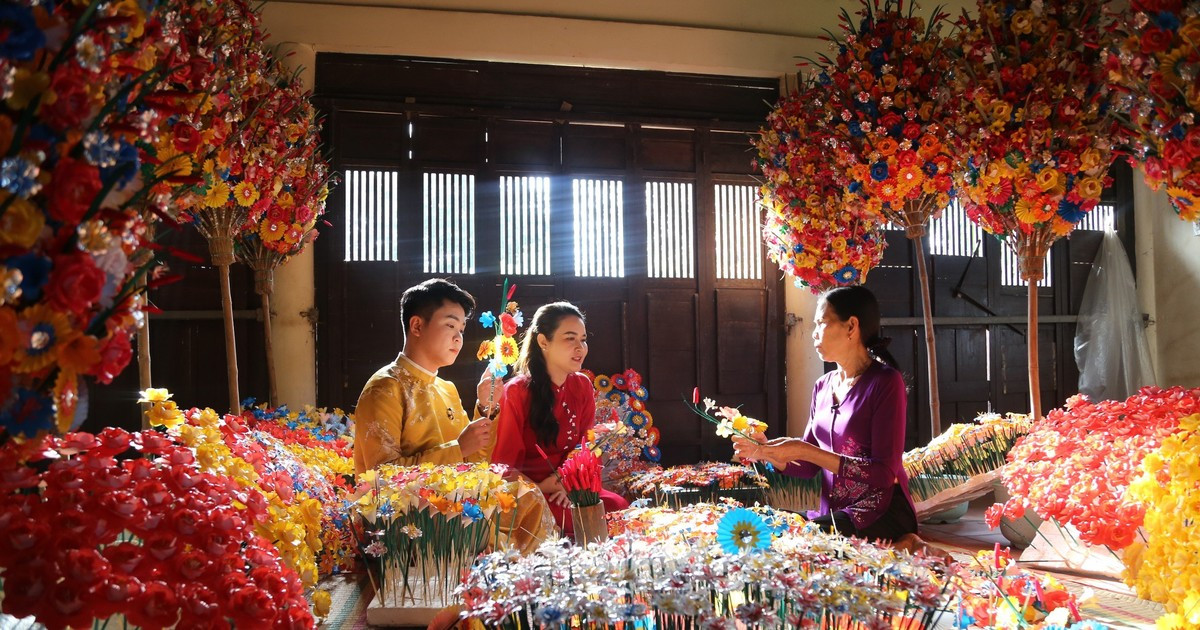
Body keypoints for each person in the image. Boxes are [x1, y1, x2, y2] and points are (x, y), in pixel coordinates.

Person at [351, 278, 552, 557]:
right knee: (510, 518)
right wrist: (457, 449)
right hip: (406, 515)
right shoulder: (385, 387)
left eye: (461, 328)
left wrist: (485, 408)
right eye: (449, 325)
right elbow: (382, 478)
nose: (458, 337)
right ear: (417, 326)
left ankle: (514, 589)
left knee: (523, 494)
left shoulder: (446, 389)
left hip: (453, 500)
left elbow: (474, 463)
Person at [733, 285, 919, 544]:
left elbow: (884, 473)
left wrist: (806, 451)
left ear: (851, 327)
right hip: (833, 512)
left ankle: (905, 544)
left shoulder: (886, 382)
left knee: (799, 540)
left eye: (821, 323)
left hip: (880, 510)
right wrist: (765, 452)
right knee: (768, 526)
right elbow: (808, 466)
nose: (814, 334)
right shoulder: (823, 385)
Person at [491, 302, 629, 535]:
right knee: (585, 519)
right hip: (529, 494)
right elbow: (503, 465)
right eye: (570, 338)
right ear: (543, 341)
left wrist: (570, 483)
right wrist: (542, 486)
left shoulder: (582, 385)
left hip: (570, 488)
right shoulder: (516, 392)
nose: (580, 348)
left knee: (618, 509)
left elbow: (586, 446)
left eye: (583, 339)